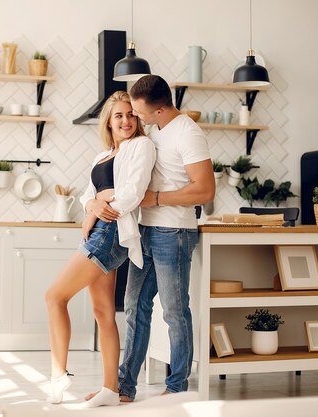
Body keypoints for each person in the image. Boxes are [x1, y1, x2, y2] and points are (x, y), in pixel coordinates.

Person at [44, 91, 156, 407]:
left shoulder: (141, 146)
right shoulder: (102, 155)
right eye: (119, 115)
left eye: (131, 115)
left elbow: (131, 194)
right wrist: (94, 203)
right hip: (98, 229)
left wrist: (100, 203)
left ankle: (58, 376)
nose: (126, 121)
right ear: (109, 120)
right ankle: (110, 388)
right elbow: (87, 196)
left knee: (54, 296)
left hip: (110, 233)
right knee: (103, 312)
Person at [117, 75, 215, 400]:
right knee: (134, 305)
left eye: (139, 111)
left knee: (174, 311)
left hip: (173, 232)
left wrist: (156, 199)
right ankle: (124, 386)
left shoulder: (188, 133)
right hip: (147, 229)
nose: (135, 116)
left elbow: (205, 189)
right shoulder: (157, 131)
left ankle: (177, 388)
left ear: (158, 109)